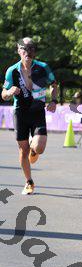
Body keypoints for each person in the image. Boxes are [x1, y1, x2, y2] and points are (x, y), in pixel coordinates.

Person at [1, 38, 58, 195]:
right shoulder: (12, 71)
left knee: (39, 147)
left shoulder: (43, 67)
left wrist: (54, 100)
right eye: (24, 48)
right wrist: (9, 92)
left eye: (31, 48)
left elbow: (54, 84)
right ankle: (29, 182)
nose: (27, 51)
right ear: (18, 50)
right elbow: (4, 93)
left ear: (34, 51)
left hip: (38, 111)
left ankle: (34, 150)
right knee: (23, 150)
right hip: (20, 112)